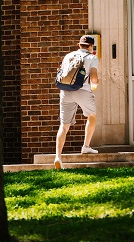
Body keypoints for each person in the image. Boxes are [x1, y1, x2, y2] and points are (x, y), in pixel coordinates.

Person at [54, 35, 99, 169]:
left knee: (64, 125)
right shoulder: (92, 57)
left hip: (65, 91)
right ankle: (86, 146)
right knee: (92, 116)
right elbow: (94, 77)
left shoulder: (68, 56)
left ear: (79, 45)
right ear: (91, 46)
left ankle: (58, 157)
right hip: (82, 91)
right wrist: (96, 84)